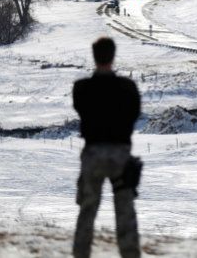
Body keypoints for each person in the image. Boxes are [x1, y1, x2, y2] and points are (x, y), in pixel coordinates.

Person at [72, 37, 141, 258]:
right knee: (125, 213)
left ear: (94, 56)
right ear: (113, 55)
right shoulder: (127, 88)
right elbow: (134, 114)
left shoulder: (81, 89)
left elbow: (80, 110)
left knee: (87, 211)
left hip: (92, 153)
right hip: (120, 154)